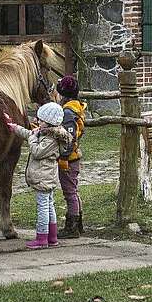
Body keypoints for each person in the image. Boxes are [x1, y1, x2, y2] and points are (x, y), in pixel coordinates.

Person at [3, 102, 71, 249]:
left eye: (41, 120)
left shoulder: (51, 139)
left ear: (49, 122)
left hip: (43, 178)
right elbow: (29, 133)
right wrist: (14, 127)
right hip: (46, 177)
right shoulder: (46, 133)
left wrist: (32, 138)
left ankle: (42, 238)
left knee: (43, 207)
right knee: (49, 206)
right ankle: (52, 237)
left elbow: (37, 151)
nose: (38, 122)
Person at [54, 75, 86, 238]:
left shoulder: (67, 111)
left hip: (69, 159)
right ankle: (78, 224)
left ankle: (71, 228)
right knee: (74, 191)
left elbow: (69, 137)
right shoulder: (76, 107)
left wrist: (64, 158)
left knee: (69, 193)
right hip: (74, 156)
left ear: (63, 94)